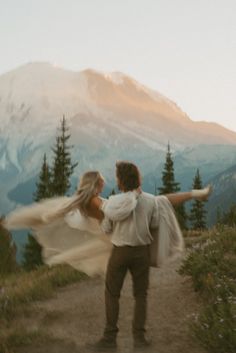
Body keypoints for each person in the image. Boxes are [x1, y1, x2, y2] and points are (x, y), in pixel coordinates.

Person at [93, 161, 212, 350]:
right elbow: (155, 224)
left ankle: (109, 339)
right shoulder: (150, 200)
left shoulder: (114, 202)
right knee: (141, 295)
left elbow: (106, 228)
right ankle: (139, 339)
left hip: (120, 252)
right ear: (136, 178)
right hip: (141, 253)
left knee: (112, 294)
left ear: (121, 181)